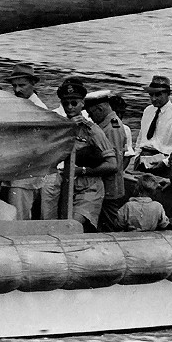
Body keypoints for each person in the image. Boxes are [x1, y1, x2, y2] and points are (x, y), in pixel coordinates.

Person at [57, 78, 118, 232]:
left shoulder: (93, 131)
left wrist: (83, 170)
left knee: (72, 225)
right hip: (66, 187)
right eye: (65, 103)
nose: (69, 107)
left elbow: (112, 165)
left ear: (82, 103)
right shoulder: (60, 127)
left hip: (88, 188)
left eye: (74, 103)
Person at [4, 63, 48, 219]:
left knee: (19, 217)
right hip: (15, 173)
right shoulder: (17, 104)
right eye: (14, 86)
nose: (17, 90)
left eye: (22, 85)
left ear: (33, 84)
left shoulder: (39, 110)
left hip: (25, 176)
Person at [84, 90, 128, 231]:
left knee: (109, 226)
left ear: (100, 109)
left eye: (91, 113)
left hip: (110, 187)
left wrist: (84, 171)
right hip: (106, 185)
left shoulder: (112, 128)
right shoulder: (108, 125)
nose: (90, 117)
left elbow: (113, 164)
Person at [134, 75, 172, 175]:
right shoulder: (148, 111)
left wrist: (166, 162)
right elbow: (141, 136)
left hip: (164, 162)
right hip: (143, 159)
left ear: (168, 94)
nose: (154, 98)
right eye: (151, 95)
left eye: (158, 95)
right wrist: (137, 156)